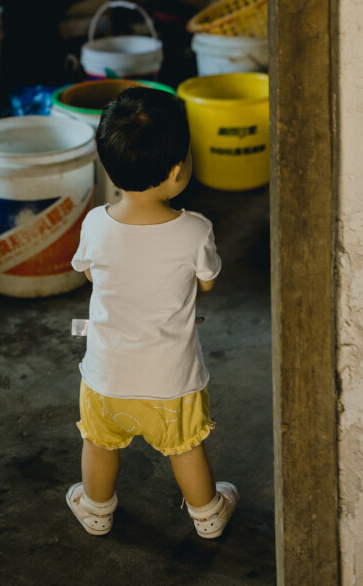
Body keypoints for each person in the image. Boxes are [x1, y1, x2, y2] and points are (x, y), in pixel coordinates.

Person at [66, 85, 238, 540]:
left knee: (99, 443)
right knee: (185, 447)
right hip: (172, 382)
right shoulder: (194, 230)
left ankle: (97, 509)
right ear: (178, 169)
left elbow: (89, 275)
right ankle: (207, 514)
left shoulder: (95, 224)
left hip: (106, 376)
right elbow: (207, 282)